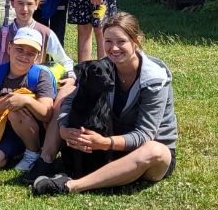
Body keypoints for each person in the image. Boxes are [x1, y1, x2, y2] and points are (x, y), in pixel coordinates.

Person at [31, 12, 178, 195]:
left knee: (155, 150)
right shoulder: (104, 67)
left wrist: (104, 143)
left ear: (136, 40)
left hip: (146, 153)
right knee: (67, 91)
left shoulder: (154, 78)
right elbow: (71, 99)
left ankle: (70, 185)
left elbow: (145, 134)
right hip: (112, 143)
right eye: (108, 41)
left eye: (121, 41)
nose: (114, 48)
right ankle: (45, 162)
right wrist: (63, 127)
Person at [0, 27, 56, 172]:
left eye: (31, 53)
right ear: (9, 47)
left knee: (16, 112)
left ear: (38, 57)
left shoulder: (41, 76)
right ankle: (17, 152)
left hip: (33, 130)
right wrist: (11, 99)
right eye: (19, 49)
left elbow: (47, 114)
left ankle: (33, 152)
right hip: (5, 131)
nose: (24, 56)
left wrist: (26, 100)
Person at [0, 0, 74, 80]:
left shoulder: (45, 33)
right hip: (5, 86)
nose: (24, 9)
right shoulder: (2, 34)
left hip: (33, 86)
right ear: (12, 3)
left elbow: (64, 60)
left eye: (29, 4)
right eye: (20, 3)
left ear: (37, 4)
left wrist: (70, 75)